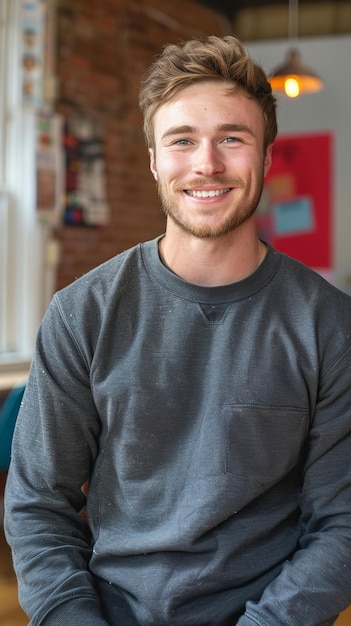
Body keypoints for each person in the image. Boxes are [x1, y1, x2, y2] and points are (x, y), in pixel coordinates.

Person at [4, 35, 351, 626]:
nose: (207, 164)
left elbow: (342, 525)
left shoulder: (329, 326)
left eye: (232, 139)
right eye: (182, 140)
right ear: (153, 160)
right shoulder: (81, 313)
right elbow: (39, 505)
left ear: (266, 157)